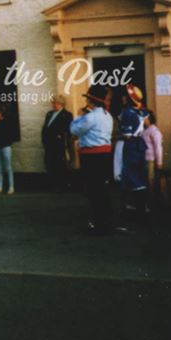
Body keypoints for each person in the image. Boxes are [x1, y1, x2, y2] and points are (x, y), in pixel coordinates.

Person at [70, 85, 114, 235]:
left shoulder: (90, 117)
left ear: (92, 101)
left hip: (92, 156)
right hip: (105, 155)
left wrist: (79, 115)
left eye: (88, 98)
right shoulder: (108, 116)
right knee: (101, 189)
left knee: (94, 190)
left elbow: (74, 130)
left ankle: (98, 223)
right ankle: (106, 221)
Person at [114, 84, 149, 201]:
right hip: (140, 144)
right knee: (140, 174)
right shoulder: (142, 111)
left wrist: (115, 137)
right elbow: (147, 124)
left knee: (130, 174)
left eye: (125, 96)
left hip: (130, 145)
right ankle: (143, 206)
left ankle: (136, 207)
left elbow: (127, 135)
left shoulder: (127, 112)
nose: (123, 98)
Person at [42, 94, 74, 192]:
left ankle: (61, 185)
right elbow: (45, 128)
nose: (52, 104)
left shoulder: (67, 115)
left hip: (59, 144)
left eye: (54, 102)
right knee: (49, 163)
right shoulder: (49, 114)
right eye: (53, 102)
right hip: (49, 144)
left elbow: (67, 130)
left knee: (59, 164)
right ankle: (52, 184)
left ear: (60, 104)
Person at [0, 104, 17, 195]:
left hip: (6, 146)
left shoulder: (7, 121)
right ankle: (0, 186)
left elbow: (7, 134)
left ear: (0, 113)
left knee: (8, 167)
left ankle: (11, 186)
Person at [143, 112, 164, 206]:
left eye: (144, 118)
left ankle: (152, 202)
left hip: (151, 159)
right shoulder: (146, 130)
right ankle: (150, 201)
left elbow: (158, 147)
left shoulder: (154, 131)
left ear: (149, 119)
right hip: (145, 159)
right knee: (148, 181)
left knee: (150, 181)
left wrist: (159, 162)